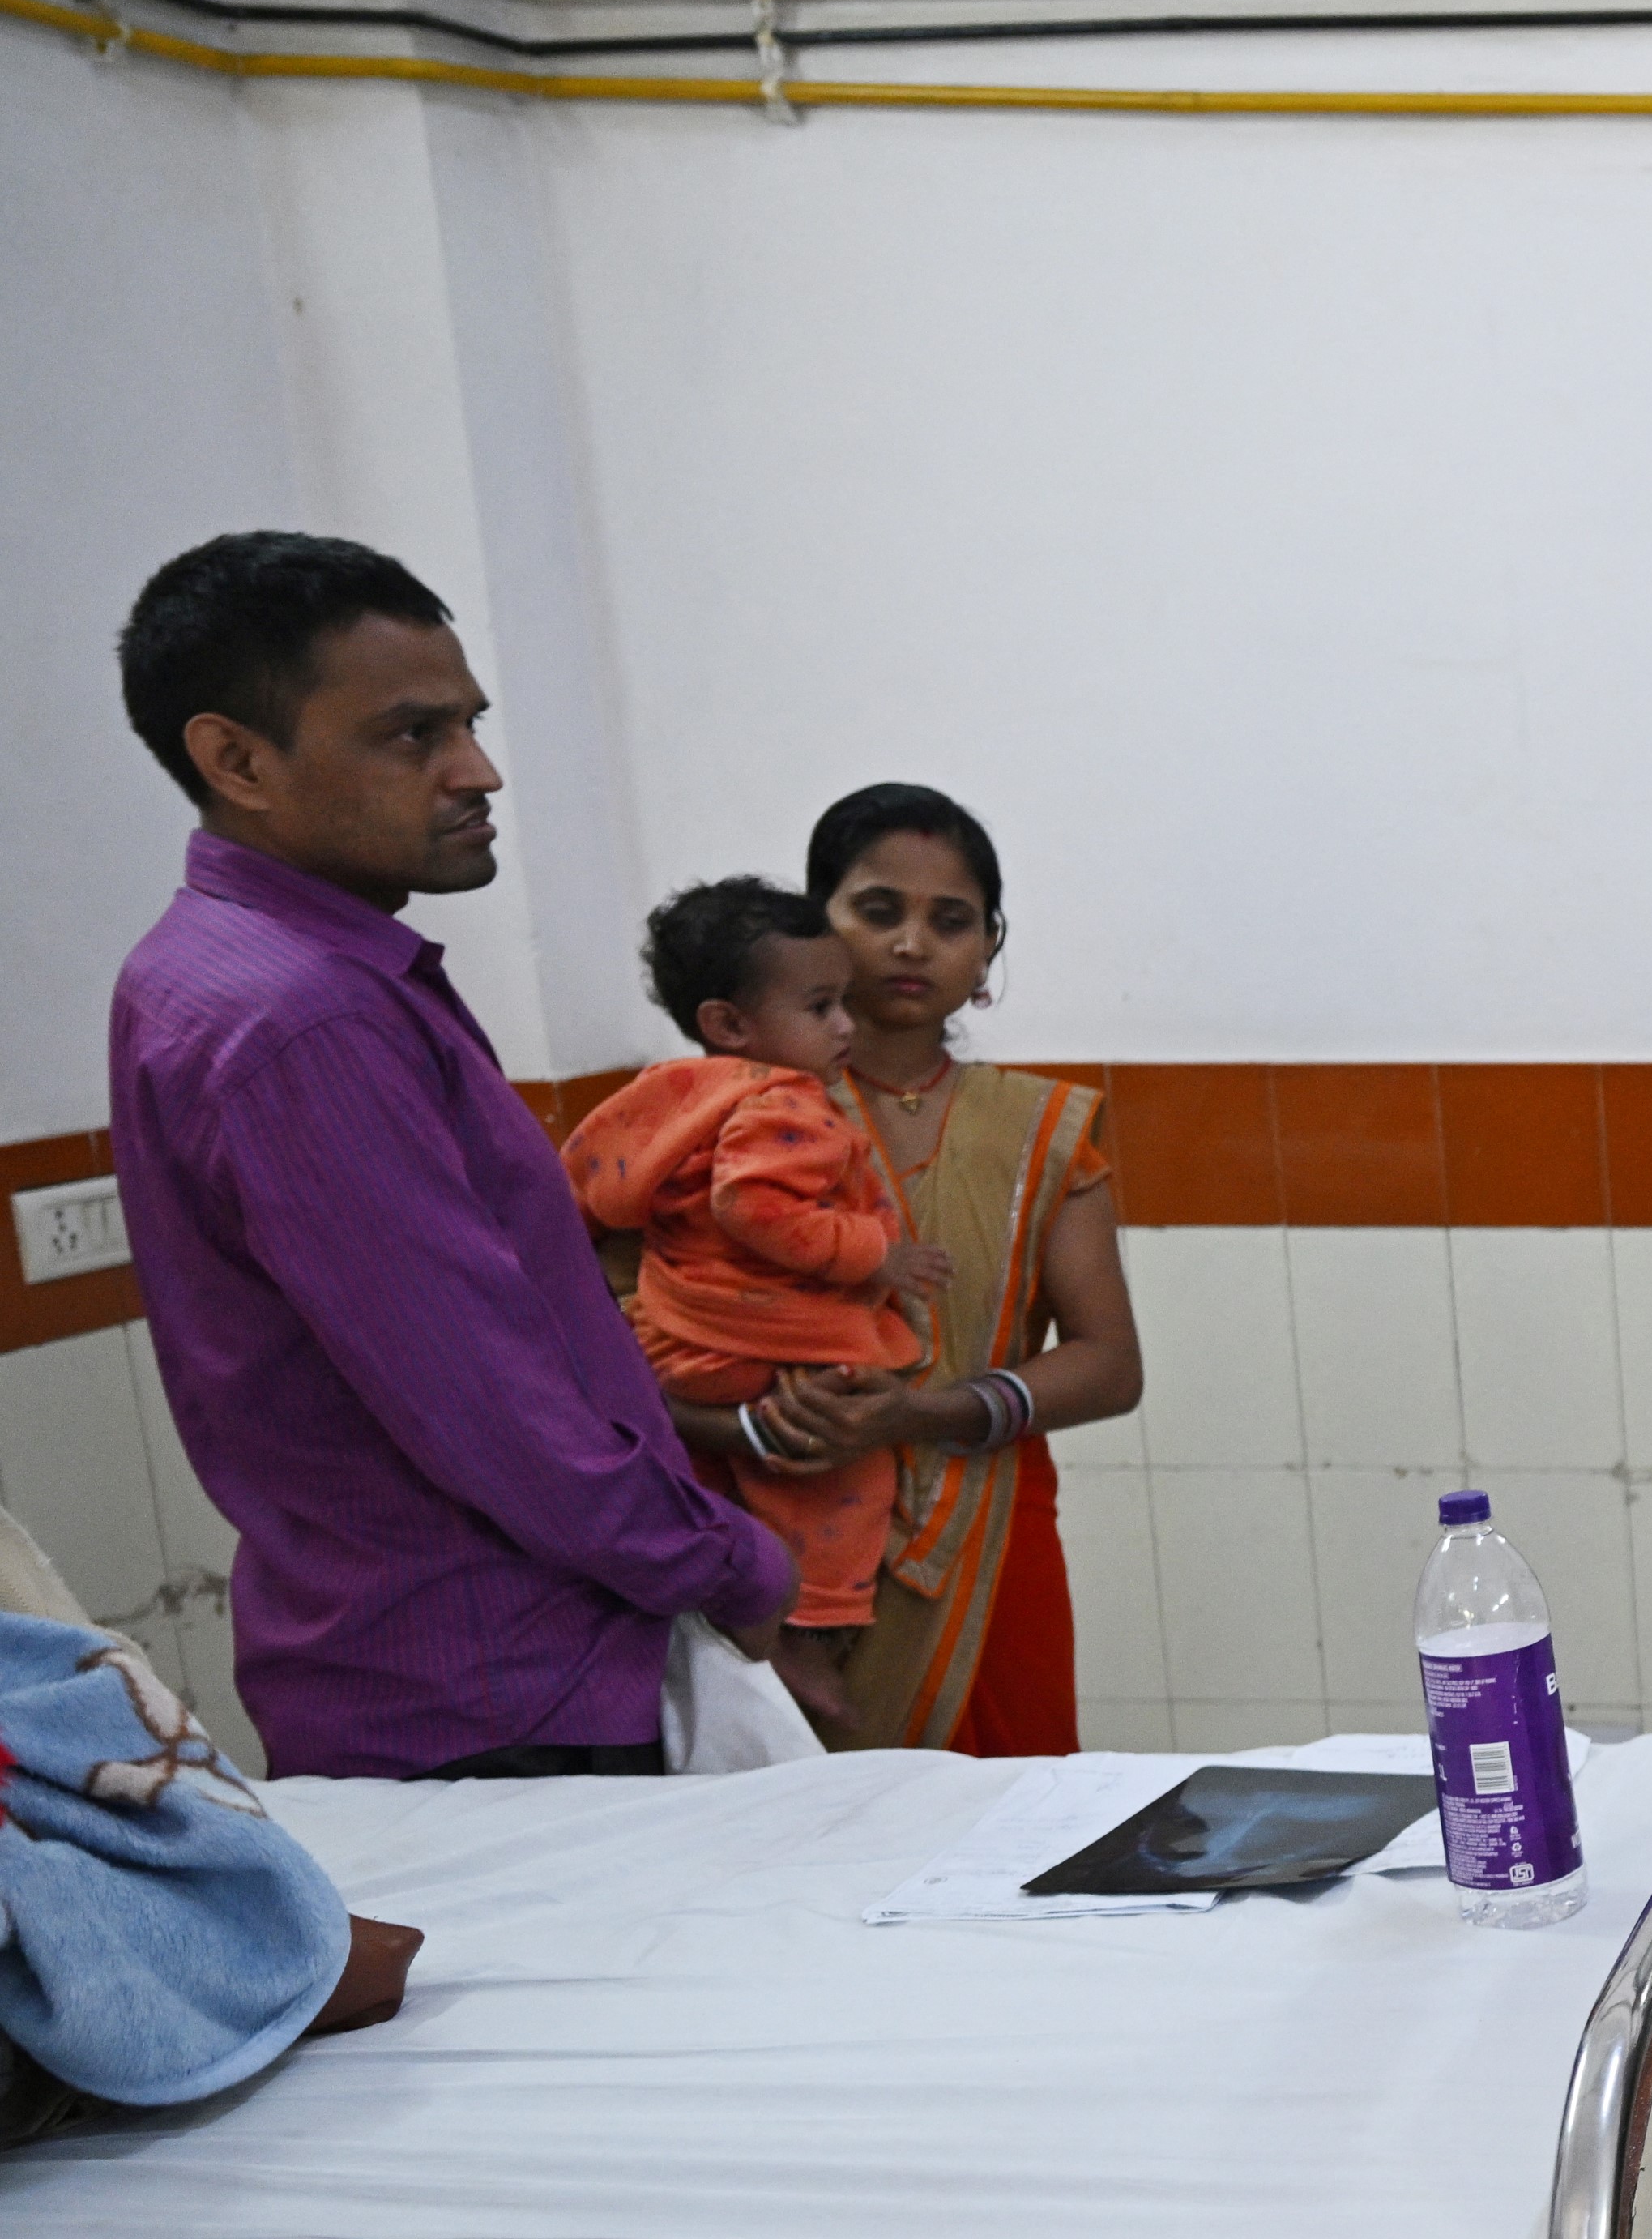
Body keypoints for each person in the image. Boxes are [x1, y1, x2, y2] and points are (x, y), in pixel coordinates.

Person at [100, 532, 789, 1781]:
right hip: (498, 1694)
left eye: (470, 723)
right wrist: (729, 1567)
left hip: (433, 1670)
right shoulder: (301, 1015)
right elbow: (489, 1399)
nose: (479, 772)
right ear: (235, 759)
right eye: (413, 736)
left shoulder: (227, 968)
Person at [669, 786, 1141, 1754]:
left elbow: (1108, 1365)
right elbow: (622, 1338)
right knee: (809, 1846)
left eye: (951, 920)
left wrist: (921, 1414)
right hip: (767, 1525)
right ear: (819, 928)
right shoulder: (711, 1113)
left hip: (989, 1531)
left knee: (1017, 1828)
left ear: (987, 955)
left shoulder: (1043, 1131)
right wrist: (756, 1426)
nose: (913, 943)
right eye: (879, 911)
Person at [566, 878, 951, 1733]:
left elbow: (588, 1190)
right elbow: (755, 1208)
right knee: (844, 1477)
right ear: (729, 1024)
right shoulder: (788, 1102)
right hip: (766, 1349)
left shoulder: (669, 1095)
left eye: (843, 1002)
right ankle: (803, 1629)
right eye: (822, 1006)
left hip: (673, 1345)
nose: (847, 1027)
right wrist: (875, 1251)